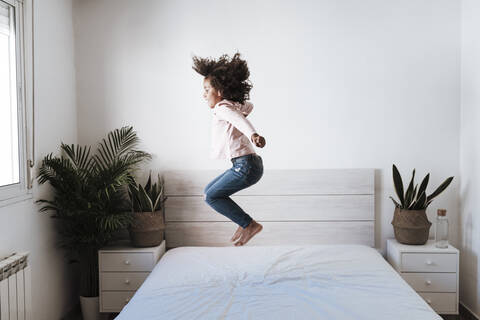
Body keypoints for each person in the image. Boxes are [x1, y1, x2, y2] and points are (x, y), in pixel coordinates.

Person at [192, 52, 266, 246]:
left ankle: (248, 224)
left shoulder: (222, 109)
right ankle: (245, 223)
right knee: (209, 192)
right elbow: (248, 106)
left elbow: (240, 120)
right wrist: (233, 101)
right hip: (248, 164)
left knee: (211, 196)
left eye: (207, 89)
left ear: (220, 92)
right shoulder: (229, 106)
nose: (203, 94)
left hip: (245, 165)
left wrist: (253, 135)